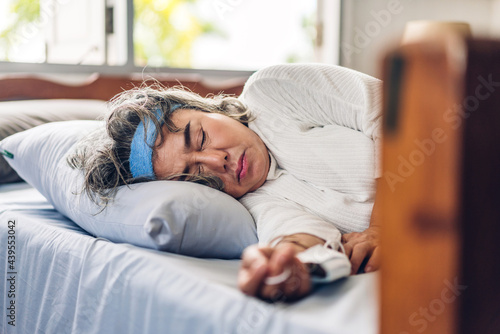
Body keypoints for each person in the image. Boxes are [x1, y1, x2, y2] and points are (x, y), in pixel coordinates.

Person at [68, 64, 382, 302]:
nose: (217, 163)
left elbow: (396, 109)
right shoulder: (254, 203)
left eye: (200, 137)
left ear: (204, 108)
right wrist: (285, 264)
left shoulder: (271, 92)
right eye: (194, 177)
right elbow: (297, 235)